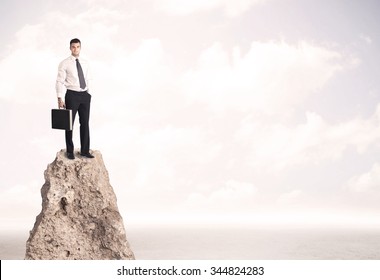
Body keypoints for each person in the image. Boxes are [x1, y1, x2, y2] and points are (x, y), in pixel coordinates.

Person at [56, 38, 94, 159]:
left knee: (85, 123)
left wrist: (89, 93)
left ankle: (84, 150)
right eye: (73, 47)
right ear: (70, 48)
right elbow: (59, 81)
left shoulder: (85, 62)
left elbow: (88, 78)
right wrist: (59, 98)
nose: (75, 49)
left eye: (77, 47)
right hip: (72, 95)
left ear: (80, 47)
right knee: (69, 124)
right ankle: (70, 151)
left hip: (85, 95)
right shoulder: (64, 63)